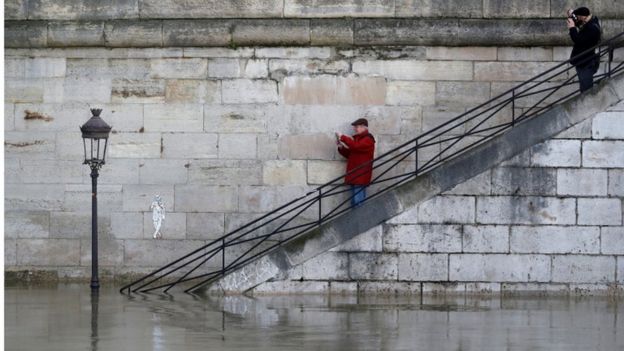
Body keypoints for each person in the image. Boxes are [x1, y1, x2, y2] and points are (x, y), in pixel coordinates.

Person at [336, 118, 376, 208]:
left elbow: (356, 146)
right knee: (354, 202)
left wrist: (343, 137)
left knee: (358, 202)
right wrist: (341, 147)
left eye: (356, 127)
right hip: (355, 174)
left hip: (360, 175)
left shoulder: (368, 139)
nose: (354, 129)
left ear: (363, 127)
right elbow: (350, 154)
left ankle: (361, 220)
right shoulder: (358, 139)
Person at [567, 7, 601, 92]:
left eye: (577, 17)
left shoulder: (592, 28)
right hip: (584, 61)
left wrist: (572, 28)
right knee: (584, 87)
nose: (576, 19)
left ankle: (589, 104)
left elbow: (578, 40)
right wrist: (572, 15)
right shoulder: (591, 22)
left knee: (586, 90)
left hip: (586, 63)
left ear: (583, 17)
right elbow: (582, 28)